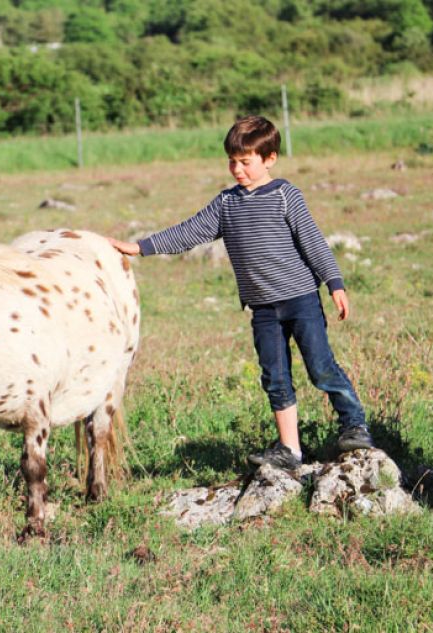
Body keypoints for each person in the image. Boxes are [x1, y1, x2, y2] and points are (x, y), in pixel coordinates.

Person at [106, 115, 373, 470]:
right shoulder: (226, 204)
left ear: (270, 159)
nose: (237, 169)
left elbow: (313, 242)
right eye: (232, 161)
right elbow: (190, 232)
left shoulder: (285, 194)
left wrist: (334, 283)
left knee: (321, 368)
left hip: (301, 300)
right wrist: (140, 247)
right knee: (275, 378)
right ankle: (290, 450)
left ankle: (354, 426)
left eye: (246, 162)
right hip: (263, 309)